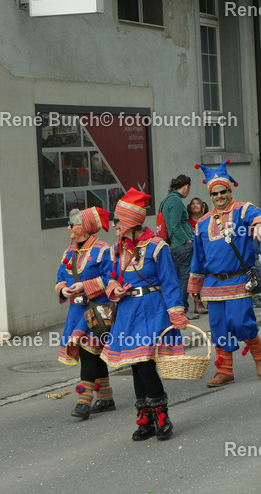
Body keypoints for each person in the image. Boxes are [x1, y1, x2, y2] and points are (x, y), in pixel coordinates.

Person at [101, 188, 189, 442]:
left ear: (130, 222)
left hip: (152, 310)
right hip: (128, 311)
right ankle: (145, 418)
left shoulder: (157, 247)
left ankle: (161, 417)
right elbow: (111, 276)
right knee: (136, 366)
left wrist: (176, 314)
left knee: (145, 364)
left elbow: (170, 283)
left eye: (118, 222)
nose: (114, 226)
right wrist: (114, 287)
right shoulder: (116, 250)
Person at [189, 161, 261, 387]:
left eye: (223, 191)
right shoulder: (202, 223)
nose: (219, 196)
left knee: (239, 322)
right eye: (215, 193)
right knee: (218, 327)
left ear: (230, 190)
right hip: (213, 283)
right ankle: (225, 370)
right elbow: (199, 257)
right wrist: (194, 287)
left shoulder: (242, 210)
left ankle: (258, 350)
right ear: (210, 195)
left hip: (239, 279)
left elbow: (257, 216)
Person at [56, 206, 116, 420]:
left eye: (73, 224)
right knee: (93, 352)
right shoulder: (69, 252)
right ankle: (106, 397)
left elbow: (111, 279)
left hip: (97, 309)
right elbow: (60, 277)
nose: (69, 227)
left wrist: (85, 286)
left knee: (87, 351)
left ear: (86, 227)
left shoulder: (103, 250)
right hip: (76, 311)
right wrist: (63, 289)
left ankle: (84, 400)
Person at [158, 174, 195, 316]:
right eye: (188, 189)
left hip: (173, 245)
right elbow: (175, 225)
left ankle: (176, 308)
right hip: (181, 246)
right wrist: (187, 240)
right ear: (186, 187)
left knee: (175, 278)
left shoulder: (166, 200)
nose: (188, 192)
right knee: (183, 278)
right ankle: (182, 308)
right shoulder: (175, 201)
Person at [187, 198, 209, 314]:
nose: (195, 206)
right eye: (192, 204)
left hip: (207, 252)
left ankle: (211, 301)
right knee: (196, 276)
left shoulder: (207, 221)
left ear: (203, 206)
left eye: (197, 204)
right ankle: (198, 303)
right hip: (194, 253)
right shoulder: (187, 223)